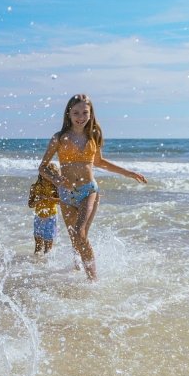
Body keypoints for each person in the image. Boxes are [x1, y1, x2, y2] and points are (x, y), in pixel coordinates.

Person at [38, 93, 146, 280]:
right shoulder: (59, 138)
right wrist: (56, 180)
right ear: (68, 115)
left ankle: (93, 280)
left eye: (85, 113)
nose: (80, 117)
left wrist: (128, 172)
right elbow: (43, 167)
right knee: (75, 237)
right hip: (65, 193)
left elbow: (100, 162)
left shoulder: (93, 135)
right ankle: (77, 268)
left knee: (80, 234)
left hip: (89, 191)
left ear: (91, 114)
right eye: (76, 113)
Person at [28, 162, 60, 255]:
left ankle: (46, 267)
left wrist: (50, 199)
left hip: (51, 217)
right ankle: (37, 266)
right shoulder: (34, 187)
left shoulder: (56, 187)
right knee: (38, 247)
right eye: (47, 175)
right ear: (42, 174)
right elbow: (30, 205)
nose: (49, 179)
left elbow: (62, 201)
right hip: (38, 217)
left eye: (52, 176)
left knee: (48, 249)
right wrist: (38, 201)